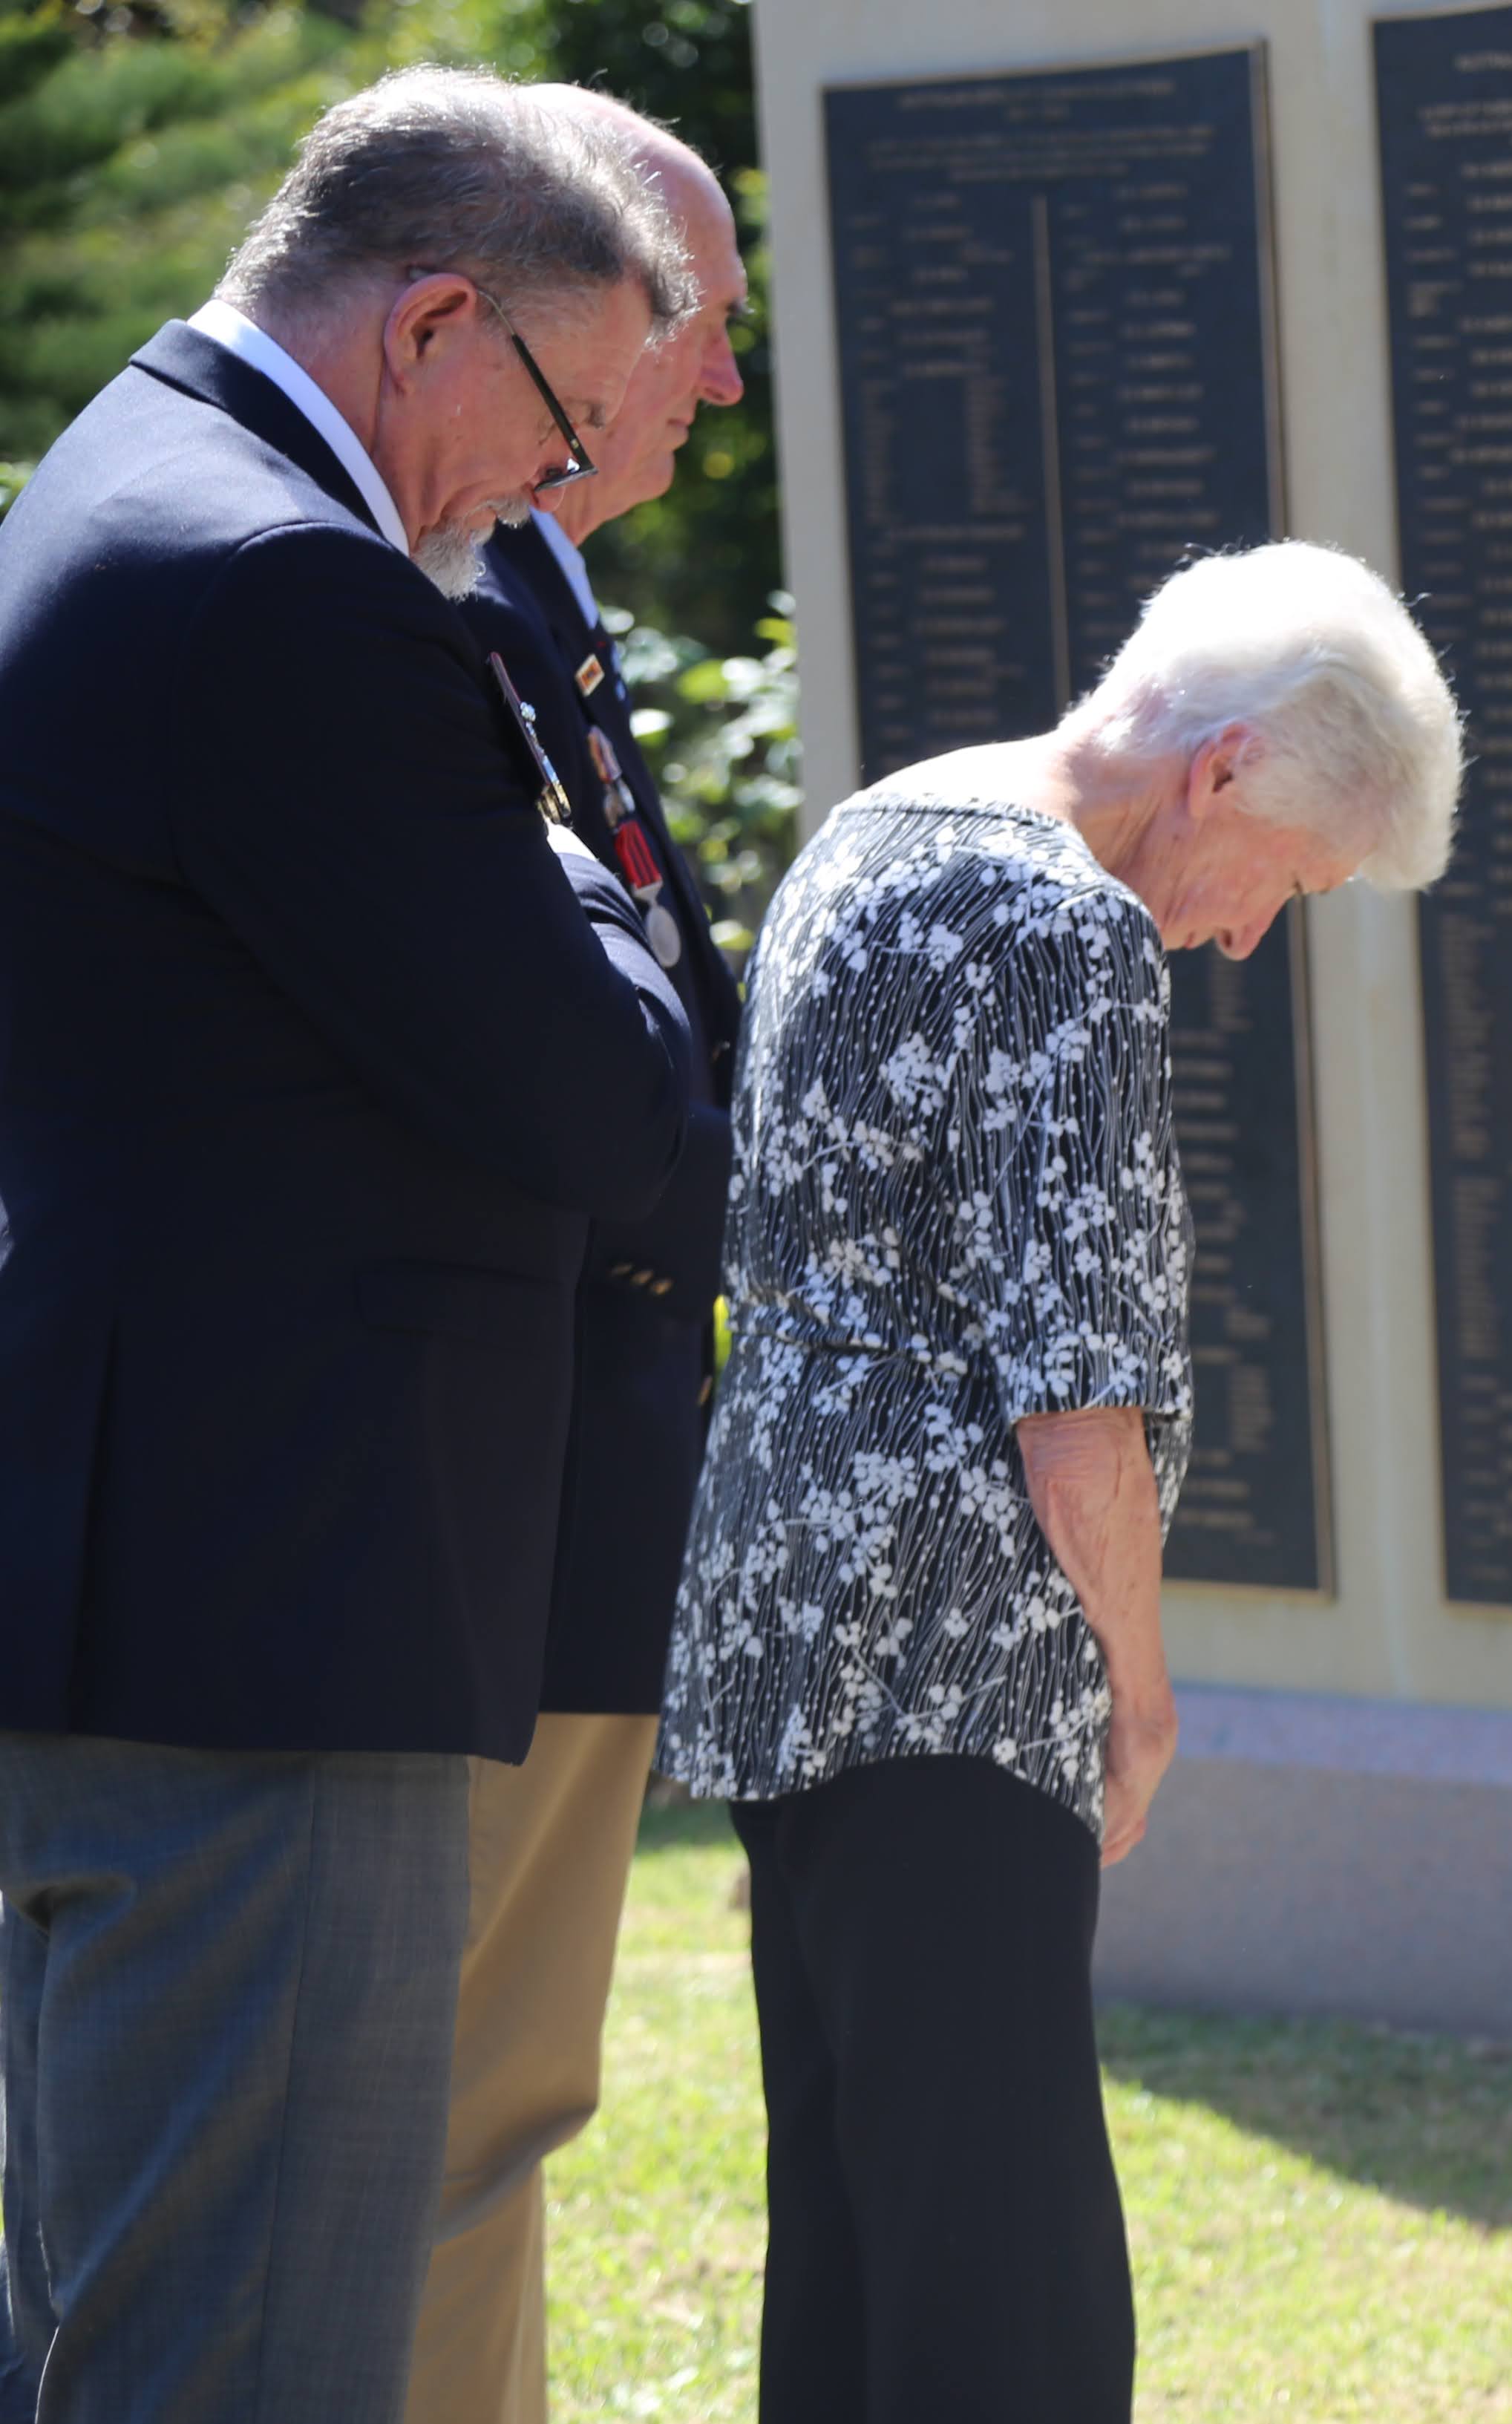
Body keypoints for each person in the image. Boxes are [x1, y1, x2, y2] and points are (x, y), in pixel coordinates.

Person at [0, 67, 707, 2420]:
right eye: (559, 415)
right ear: (428, 323)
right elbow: (604, 1089)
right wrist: (600, 896)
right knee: (250, 2362)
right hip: (270, 1634)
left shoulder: (119, 483)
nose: (554, 487)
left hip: (160, 1591)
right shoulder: (295, 584)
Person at [661, 541, 1459, 2418]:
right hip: (956, 1647)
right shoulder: (1061, 927)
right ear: (1227, 770)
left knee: (855, 2231)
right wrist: (1142, 1682)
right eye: (1290, 883)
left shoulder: (878, 822)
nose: (1252, 936)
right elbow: (1075, 1391)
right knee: (1004, 2274)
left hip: (784, 1604)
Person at [404, 88, 750, 2424]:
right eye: (692, 331)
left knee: (496, 2115)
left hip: (568, 1464)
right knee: (444, 2117)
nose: (711, 387)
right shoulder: (399, 567)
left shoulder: (521, 575)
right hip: (466, 1480)